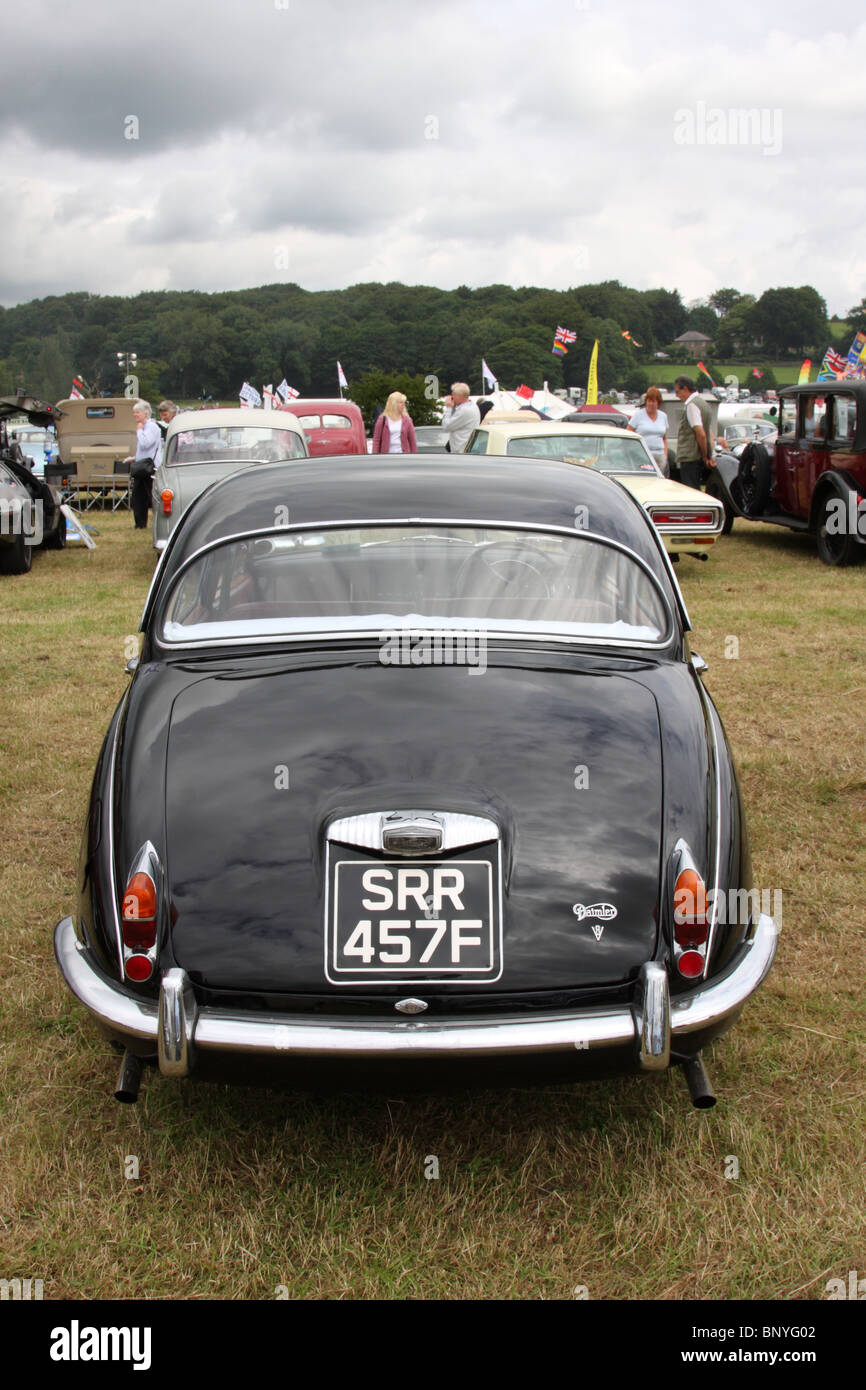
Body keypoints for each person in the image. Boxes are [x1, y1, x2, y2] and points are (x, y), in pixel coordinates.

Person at [124, 400, 162, 529]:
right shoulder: (144, 427)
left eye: (137, 412)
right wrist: (134, 458)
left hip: (150, 468)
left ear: (146, 413)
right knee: (137, 496)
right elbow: (143, 449)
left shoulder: (152, 427)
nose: (135, 415)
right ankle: (139, 523)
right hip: (141, 466)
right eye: (134, 412)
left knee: (151, 496)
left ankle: (158, 521)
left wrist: (139, 431)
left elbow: (146, 443)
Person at [673, 376, 714, 489]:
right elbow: (709, 433)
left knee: (690, 490)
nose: (677, 395)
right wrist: (708, 455)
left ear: (685, 388)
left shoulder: (691, 405)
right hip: (698, 457)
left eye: (677, 391)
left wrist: (705, 456)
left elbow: (701, 434)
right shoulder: (704, 404)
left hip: (690, 457)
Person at [628, 387, 669, 474]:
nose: (651, 404)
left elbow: (664, 438)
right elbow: (628, 433)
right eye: (649, 401)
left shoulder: (663, 416)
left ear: (658, 402)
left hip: (660, 455)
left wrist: (665, 455)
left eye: (653, 401)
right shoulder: (638, 415)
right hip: (643, 455)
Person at [440, 382, 480, 453]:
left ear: (459, 396)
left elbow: (446, 426)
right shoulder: (472, 406)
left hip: (461, 451)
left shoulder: (464, 410)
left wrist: (449, 408)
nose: (452, 397)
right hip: (466, 449)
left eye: (453, 394)